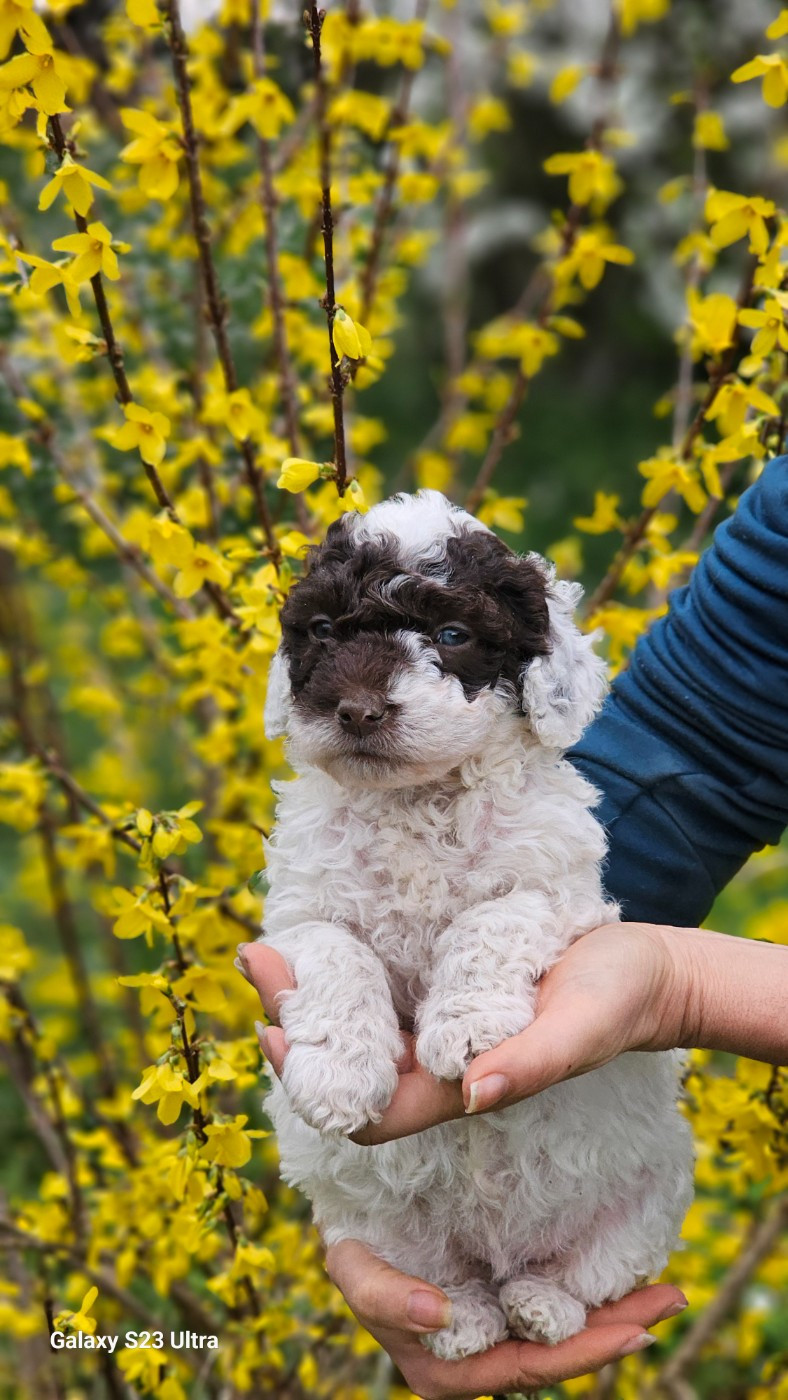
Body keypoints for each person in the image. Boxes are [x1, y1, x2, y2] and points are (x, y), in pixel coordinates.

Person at [236, 455, 788, 1400]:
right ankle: (450, 1271)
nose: (361, 694)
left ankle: (567, 1262)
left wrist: (679, 984)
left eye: (449, 636)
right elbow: (704, 732)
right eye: (327, 636)